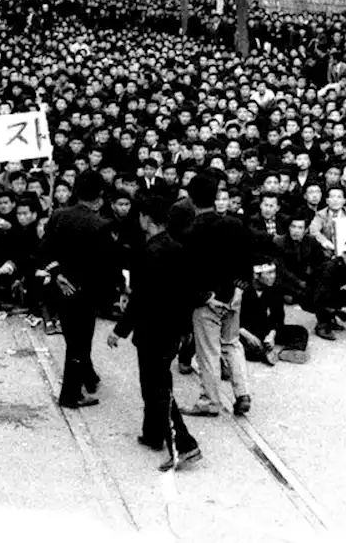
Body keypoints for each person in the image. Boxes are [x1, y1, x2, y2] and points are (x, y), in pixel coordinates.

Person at [107, 192, 203, 472]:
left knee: (157, 387)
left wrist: (119, 330)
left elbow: (141, 299)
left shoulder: (151, 252)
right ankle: (152, 434)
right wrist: (185, 329)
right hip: (172, 329)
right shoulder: (177, 247)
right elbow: (188, 292)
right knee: (154, 382)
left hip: (153, 330)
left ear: (146, 219)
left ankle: (184, 445)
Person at [40, 171, 122, 408]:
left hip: (62, 288)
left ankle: (88, 377)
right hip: (86, 293)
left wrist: (57, 275)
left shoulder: (58, 215)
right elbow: (107, 266)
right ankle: (70, 394)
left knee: (73, 339)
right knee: (79, 343)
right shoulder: (101, 225)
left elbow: (45, 249)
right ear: (99, 197)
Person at [179, 173, 252, 418]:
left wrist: (205, 297)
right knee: (232, 344)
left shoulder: (191, 232)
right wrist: (239, 290)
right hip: (234, 296)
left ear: (192, 199)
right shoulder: (235, 225)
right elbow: (246, 261)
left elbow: (189, 272)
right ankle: (242, 393)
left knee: (208, 351)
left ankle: (210, 401)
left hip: (207, 300)